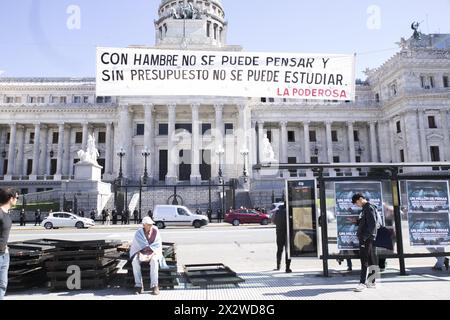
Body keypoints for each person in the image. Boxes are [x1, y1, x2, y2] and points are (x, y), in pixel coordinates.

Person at [352, 193, 379, 292]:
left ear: (360, 199)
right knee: (372, 259)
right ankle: (372, 281)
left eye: (356, 203)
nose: (356, 205)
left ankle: (362, 283)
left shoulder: (368, 208)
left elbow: (372, 225)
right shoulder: (366, 208)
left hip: (366, 238)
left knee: (364, 260)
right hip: (369, 237)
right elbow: (367, 222)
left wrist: (364, 238)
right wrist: (358, 222)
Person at [129, 216, 162, 295]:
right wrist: (140, 254)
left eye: (151, 224)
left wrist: (151, 254)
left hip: (153, 252)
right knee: (134, 262)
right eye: (149, 224)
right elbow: (136, 246)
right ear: (144, 225)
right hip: (141, 253)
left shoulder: (155, 230)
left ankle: (155, 286)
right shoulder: (138, 233)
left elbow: (157, 245)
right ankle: (138, 286)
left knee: (154, 261)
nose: (151, 226)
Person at [0, 188, 18, 299]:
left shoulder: (6, 213)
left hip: (4, 254)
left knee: (2, 285)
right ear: (11, 198)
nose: (17, 199)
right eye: (17, 197)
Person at [272, 204, 292, 273]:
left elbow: (273, 221)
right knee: (288, 251)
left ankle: (278, 266)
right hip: (287, 234)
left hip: (279, 233)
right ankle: (287, 268)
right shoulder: (289, 211)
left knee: (279, 250)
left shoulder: (277, 211)